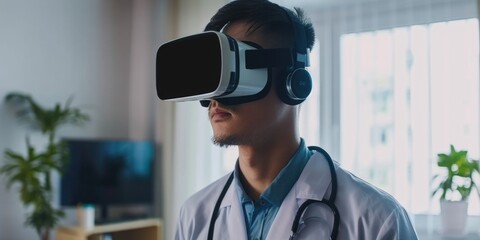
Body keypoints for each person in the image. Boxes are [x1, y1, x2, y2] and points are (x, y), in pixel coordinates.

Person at [171, 0, 419, 239]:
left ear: (294, 83)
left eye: (237, 70)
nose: (218, 94)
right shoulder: (195, 215)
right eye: (217, 73)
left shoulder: (377, 220)